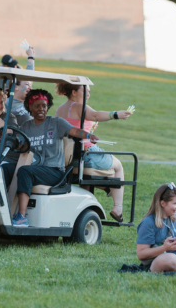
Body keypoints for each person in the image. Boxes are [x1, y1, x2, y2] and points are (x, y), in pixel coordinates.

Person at [12, 89, 100, 227]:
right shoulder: (26, 126)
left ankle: (21, 216)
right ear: (30, 107)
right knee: (4, 168)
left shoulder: (56, 123)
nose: (41, 109)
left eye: (44, 106)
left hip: (54, 171)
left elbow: (75, 131)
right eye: (37, 106)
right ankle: (3, 210)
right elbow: (19, 143)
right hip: (36, 168)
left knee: (25, 171)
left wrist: (88, 136)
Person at [55, 83, 133, 222]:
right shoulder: (78, 106)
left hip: (68, 157)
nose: (89, 94)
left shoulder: (60, 109)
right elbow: (96, 115)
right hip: (86, 154)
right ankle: (117, 208)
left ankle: (98, 196)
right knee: (118, 166)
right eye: (86, 91)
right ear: (73, 92)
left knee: (90, 177)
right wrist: (116, 115)